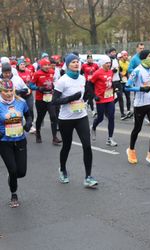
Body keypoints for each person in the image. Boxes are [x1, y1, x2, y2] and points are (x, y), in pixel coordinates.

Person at [52, 53, 98, 187]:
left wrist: (88, 98)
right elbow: (55, 101)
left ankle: (88, 176)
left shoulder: (83, 79)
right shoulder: (62, 80)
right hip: (66, 118)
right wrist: (70, 98)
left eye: (77, 61)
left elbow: (85, 94)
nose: (76, 64)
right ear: (67, 64)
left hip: (81, 116)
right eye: (73, 62)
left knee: (87, 145)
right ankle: (62, 169)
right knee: (66, 146)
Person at [125, 50, 150, 167]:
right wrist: (140, 89)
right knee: (137, 129)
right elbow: (127, 87)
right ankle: (131, 150)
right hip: (140, 104)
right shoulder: (137, 71)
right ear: (144, 58)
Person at [0, 78, 32, 207]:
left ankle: (12, 176)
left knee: (21, 172)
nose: (8, 93)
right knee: (13, 170)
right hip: (4, 142)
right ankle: (14, 194)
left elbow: (28, 115)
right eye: (5, 91)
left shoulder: (21, 102)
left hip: (20, 140)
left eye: (10, 90)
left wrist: (29, 123)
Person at [30, 58, 61, 145]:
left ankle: (54, 137)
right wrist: (38, 88)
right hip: (40, 99)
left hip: (50, 98)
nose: (47, 67)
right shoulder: (37, 74)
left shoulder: (52, 72)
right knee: (40, 117)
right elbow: (31, 85)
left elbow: (54, 81)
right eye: (45, 65)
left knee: (53, 116)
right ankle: (38, 133)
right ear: (41, 65)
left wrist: (54, 86)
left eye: (48, 65)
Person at [90, 55, 117, 147]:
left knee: (111, 117)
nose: (109, 64)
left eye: (109, 63)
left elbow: (110, 82)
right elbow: (89, 84)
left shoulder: (110, 72)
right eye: (107, 63)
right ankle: (93, 127)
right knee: (100, 118)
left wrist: (114, 89)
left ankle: (110, 139)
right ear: (102, 64)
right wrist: (94, 96)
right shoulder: (97, 73)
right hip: (100, 99)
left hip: (109, 98)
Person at [119, 50, 132, 119]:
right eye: (124, 55)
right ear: (121, 56)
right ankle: (122, 113)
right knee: (120, 98)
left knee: (128, 97)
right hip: (119, 82)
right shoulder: (118, 63)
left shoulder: (128, 63)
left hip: (126, 81)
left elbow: (128, 72)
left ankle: (128, 111)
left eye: (127, 55)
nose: (126, 56)